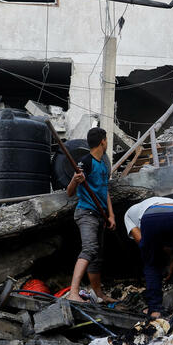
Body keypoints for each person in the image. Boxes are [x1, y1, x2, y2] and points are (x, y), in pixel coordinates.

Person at [65, 127, 116, 302]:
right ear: (103, 141)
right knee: (89, 249)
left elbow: (104, 190)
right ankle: (73, 293)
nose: (107, 143)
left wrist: (111, 215)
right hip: (86, 213)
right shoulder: (85, 162)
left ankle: (99, 294)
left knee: (97, 256)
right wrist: (75, 180)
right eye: (107, 140)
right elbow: (70, 192)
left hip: (100, 215)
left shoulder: (102, 163)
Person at [124, 197, 173, 319]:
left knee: (151, 265)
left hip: (151, 218)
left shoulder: (129, 214)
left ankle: (155, 310)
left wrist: (166, 264)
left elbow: (143, 244)